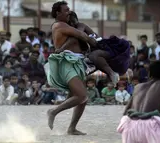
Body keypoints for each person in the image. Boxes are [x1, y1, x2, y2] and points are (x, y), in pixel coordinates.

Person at [46, 1, 96, 135]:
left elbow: (81, 36)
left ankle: (72, 128)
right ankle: (53, 111)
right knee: (81, 96)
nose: (68, 12)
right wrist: (96, 42)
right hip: (67, 63)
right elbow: (82, 35)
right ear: (58, 13)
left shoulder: (67, 25)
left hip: (76, 62)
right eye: (66, 10)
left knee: (82, 99)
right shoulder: (59, 25)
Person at [117, 61, 160, 143]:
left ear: (149, 74)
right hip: (151, 129)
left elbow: (125, 113)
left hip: (130, 129)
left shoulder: (138, 87)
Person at [57, 11, 130, 85]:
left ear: (76, 19)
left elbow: (75, 37)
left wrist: (61, 49)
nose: (72, 24)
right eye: (69, 23)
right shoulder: (70, 32)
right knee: (85, 67)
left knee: (92, 56)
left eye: (73, 21)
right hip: (94, 54)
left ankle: (112, 73)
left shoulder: (81, 25)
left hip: (104, 47)